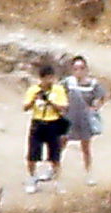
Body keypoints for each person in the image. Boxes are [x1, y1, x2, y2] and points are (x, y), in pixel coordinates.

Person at [22, 58, 74, 190]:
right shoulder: (33, 90)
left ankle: (57, 182)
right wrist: (35, 98)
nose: (49, 81)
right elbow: (25, 107)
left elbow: (63, 107)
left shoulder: (58, 90)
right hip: (38, 123)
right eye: (47, 78)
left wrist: (50, 101)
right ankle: (32, 179)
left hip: (53, 123)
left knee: (55, 156)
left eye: (51, 77)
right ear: (41, 78)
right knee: (32, 155)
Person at [63, 55, 105, 178]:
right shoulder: (68, 82)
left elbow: (101, 96)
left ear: (86, 69)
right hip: (69, 117)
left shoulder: (92, 84)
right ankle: (54, 170)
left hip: (85, 119)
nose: (78, 71)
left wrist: (95, 108)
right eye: (75, 68)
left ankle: (88, 173)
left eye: (81, 68)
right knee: (61, 144)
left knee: (85, 147)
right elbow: (58, 92)